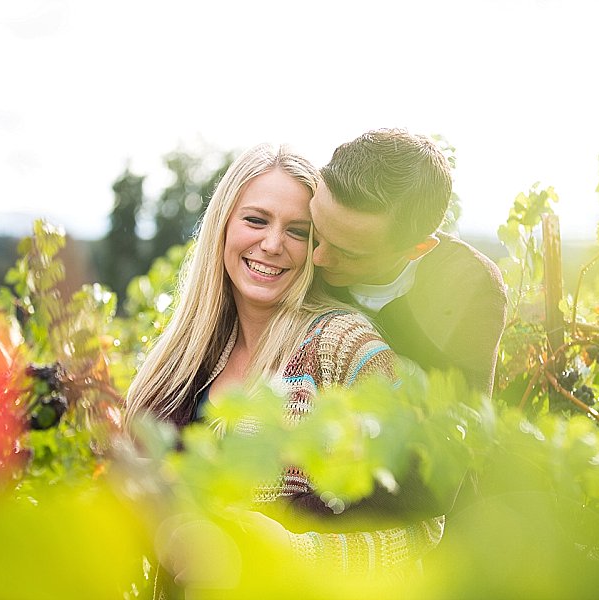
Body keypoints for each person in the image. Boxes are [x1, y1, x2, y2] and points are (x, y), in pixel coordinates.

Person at [124, 143, 444, 583]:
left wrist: (295, 551)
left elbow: (425, 525)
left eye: (298, 231)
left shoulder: (343, 344)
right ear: (222, 226)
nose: (272, 244)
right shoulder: (180, 361)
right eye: (256, 220)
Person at [310, 129, 507, 398]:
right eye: (314, 232)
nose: (317, 258)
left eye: (350, 253)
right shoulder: (284, 239)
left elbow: (459, 419)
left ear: (418, 249)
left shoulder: (470, 287)